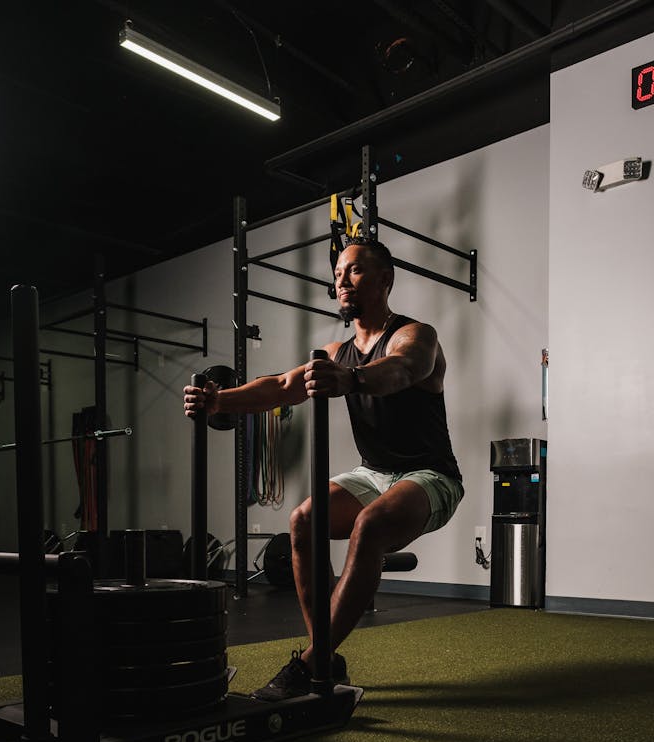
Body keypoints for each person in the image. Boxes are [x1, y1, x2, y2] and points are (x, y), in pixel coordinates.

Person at [183, 237, 464, 701]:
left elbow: (403, 370)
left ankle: (312, 660)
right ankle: (324, 657)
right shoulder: (336, 350)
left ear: (385, 279)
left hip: (430, 475)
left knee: (370, 526)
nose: (342, 282)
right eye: (337, 275)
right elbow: (280, 386)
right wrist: (218, 399)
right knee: (303, 521)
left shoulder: (415, 335)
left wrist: (352, 379)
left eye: (353, 271)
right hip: (374, 472)